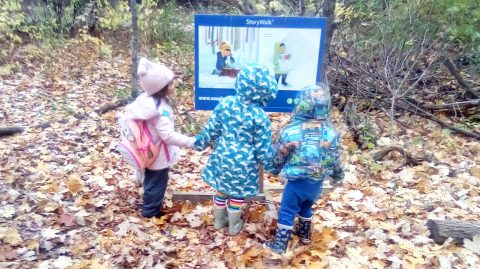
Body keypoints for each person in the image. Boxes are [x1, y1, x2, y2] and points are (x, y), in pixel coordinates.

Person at [194, 64, 278, 235]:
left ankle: (218, 221)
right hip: (244, 164)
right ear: (267, 89)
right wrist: (272, 166)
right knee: (237, 194)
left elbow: (211, 130)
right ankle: (233, 226)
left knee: (222, 189)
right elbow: (263, 149)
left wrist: (199, 143)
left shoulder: (225, 104)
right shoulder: (260, 116)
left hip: (223, 157)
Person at [264, 84, 344, 254]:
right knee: (306, 207)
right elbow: (335, 158)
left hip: (296, 183)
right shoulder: (330, 134)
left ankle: (279, 246)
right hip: (316, 182)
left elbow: (279, 154)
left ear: (300, 105)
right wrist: (338, 175)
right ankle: (305, 235)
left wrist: (273, 169)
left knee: (287, 211)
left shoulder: (290, 132)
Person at [124, 58, 195, 218]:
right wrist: (191, 142)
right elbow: (167, 135)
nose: (174, 85)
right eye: (170, 83)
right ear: (161, 88)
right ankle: (150, 213)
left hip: (149, 150)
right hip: (158, 154)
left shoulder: (146, 100)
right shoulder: (159, 109)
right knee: (157, 184)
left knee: (152, 180)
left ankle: (151, 205)